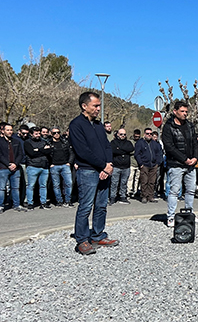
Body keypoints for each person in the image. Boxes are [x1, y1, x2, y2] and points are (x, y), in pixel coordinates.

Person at [68, 92, 117, 255]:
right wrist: (103, 165)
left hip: (104, 171)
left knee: (101, 206)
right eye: (95, 105)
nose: (98, 109)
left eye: (99, 106)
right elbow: (83, 151)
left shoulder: (98, 125)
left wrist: (109, 165)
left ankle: (97, 235)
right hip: (88, 171)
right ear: (84, 106)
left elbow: (107, 146)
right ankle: (82, 240)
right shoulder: (76, 125)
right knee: (86, 206)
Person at [161, 101, 198, 227]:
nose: (185, 114)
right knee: (174, 191)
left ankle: (189, 214)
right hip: (176, 164)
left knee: (190, 190)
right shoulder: (168, 127)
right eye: (182, 111)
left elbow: (195, 142)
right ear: (175, 111)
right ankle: (171, 217)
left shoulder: (189, 125)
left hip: (190, 164)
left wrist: (195, 157)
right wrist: (184, 159)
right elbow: (169, 147)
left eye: (186, 112)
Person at [0, 122, 27, 212]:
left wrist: (15, 163)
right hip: (3, 168)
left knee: (15, 188)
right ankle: (1, 205)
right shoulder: (0, 141)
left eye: (11, 130)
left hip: (16, 168)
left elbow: (20, 154)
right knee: (2, 188)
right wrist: (8, 164)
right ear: (3, 131)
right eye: (7, 130)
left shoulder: (16, 141)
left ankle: (16, 204)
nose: (10, 132)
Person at [24, 126, 52, 209]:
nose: (38, 135)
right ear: (31, 134)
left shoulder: (44, 141)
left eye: (39, 133)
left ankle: (43, 202)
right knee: (31, 186)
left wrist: (38, 150)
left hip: (44, 166)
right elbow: (31, 154)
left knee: (43, 186)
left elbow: (49, 151)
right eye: (36, 134)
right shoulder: (27, 142)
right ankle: (30, 203)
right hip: (33, 166)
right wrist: (42, 150)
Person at [48, 126, 75, 207]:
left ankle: (68, 200)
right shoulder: (48, 143)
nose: (56, 134)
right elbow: (46, 154)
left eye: (58, 132)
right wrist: (50, 163)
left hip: (65, 165)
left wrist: (69, 163)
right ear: (51, 134)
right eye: (54, 133)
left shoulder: (65, 142)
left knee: (69, 183)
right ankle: (59, 201)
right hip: (54, 166)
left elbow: (71, 153)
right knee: (56, 185)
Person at [135, 128, 163, 204]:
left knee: (152, 181)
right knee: (144, 181)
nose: (149, 135)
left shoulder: (155, 144)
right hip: (144, 165)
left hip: (153, 165)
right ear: (144, 134)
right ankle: (144, 196)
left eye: (150, 134)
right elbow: (137, 154)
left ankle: (150, 196)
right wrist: (140, 164)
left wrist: (158, 163)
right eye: (147, 134)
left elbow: (159, 153)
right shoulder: (140, 143)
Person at [109, 128, 135, 205]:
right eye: (121, 134)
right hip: (116, 166)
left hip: (126, 166)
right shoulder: (113, 142)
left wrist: (119, 149)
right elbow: (113, 150)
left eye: (124, 134)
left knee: (124, 183)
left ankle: (123, 196)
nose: (123, 136)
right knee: (114, 183)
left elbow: (130, 149)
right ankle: (112, 197)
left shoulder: (128, 142)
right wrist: (123, 150)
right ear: (117, 134)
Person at [127, 129, 142, 199]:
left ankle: (136, 190)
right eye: (135, 136)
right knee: (130, 178)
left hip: (138, 163)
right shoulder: (130, 142)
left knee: (137, 178)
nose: (137, 138)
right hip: (132, 162)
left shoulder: (141, 142)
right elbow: (129, 151)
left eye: (138, 137)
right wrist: (135, 152)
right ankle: (129, 191)